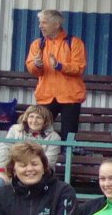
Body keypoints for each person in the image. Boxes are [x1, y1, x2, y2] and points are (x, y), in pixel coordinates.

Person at [25, 10, 86, 139]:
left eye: (44, 23)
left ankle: (65, 153)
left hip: (70, 97)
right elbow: (32, 68)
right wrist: (37, 65)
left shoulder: (75, 43)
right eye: (40, 23)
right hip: (46, 95)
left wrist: (59, 66)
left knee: (68, 137)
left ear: (57, 24)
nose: (40, 26)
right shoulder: (37, 44)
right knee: (38, 134)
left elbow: (79, 67)